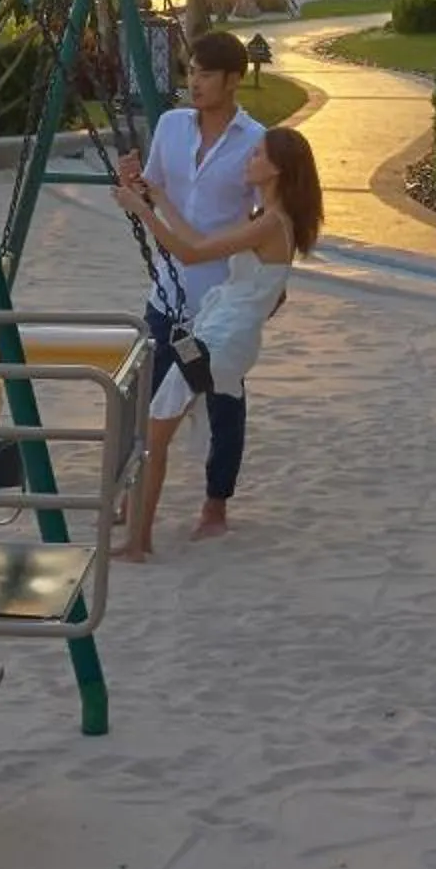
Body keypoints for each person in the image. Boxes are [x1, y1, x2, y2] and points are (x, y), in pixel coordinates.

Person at [113, 125, 324, 561]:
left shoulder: (269, 224)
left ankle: (139, 542)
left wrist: (141, 210)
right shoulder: (271, 223)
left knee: (155, 430)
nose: (249, 159)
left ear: (277, 169)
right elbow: (198, 242)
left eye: (257, 155)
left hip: (218, 342)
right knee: (161, 420)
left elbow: (190, 254)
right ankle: (139, 535)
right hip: (216, 339)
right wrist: (157, 194)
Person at [116, 30, 266, 543]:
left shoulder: (255, 142)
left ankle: (215, 505)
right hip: (168, 292)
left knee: (222, 400)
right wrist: (133, 180)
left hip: (220, 303)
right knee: (146, 398)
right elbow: (152, 191)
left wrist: (268, 287)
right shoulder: (171, 126)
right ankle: (133, 502)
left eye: (204, 74)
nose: (194, 83)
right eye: (190, 72)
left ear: (232, 80)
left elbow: (265, 220)